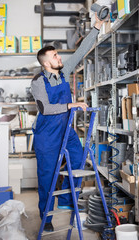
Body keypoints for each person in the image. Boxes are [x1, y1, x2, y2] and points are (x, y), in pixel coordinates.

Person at [31, 14, 104, 232]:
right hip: (46, 135)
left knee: (79, 157)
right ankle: (47, 219)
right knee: (46, 179)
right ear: (46, 63)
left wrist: (97, 28)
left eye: (58, 54)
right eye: (54, 56)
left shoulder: (64, 73)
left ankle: (66, 198)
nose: (59, 57)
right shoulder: (38, 82)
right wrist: (71, 106)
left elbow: (80, 52)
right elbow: (44, 108)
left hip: (65, 130)